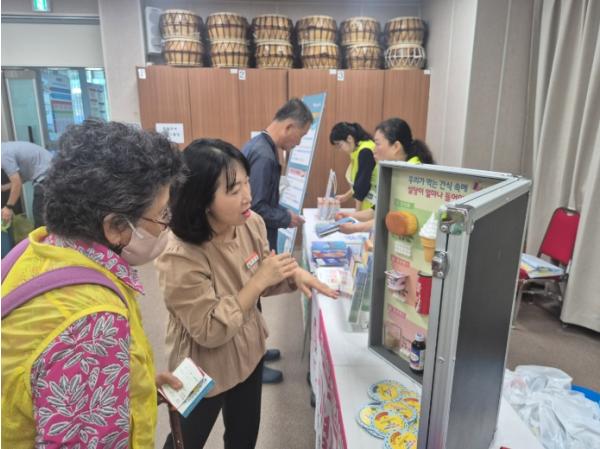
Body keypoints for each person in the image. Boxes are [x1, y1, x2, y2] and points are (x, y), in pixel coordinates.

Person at [1, 120, 185, 449]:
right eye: (161, 216)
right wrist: (101, 370)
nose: (166, 227)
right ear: (115, 226)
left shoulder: (37, 249)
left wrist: (135, 387)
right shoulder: (92, 326)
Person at [155, 138, 337, 449]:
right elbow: (209, 330)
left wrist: (292, 274)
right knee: (186, 441)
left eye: (247, 183)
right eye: (233, 189)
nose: (248, 196)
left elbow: (263, 274)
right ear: (202, 199)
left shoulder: (251, 223)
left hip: (248, 348)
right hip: (201, 364)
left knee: (243, 435)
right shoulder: (179, 254)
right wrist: (258, 281)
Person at [241, 98, 313, 384]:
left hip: (251, 237)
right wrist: (286, 217)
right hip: (252, 239)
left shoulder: (259, 146)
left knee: (254, 298)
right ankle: (254, 365)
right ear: (289, 126)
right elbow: (256, 207)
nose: (299, 142)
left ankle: (258, 351)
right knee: (251, 298)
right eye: (301, 135)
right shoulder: (265, 156)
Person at [337, 118, 435, 234]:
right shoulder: (396, 171)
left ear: (396, 147)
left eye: (377, 144)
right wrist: (350, 216)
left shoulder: (413, 174)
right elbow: (378, 210)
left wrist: (356, 228)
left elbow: (396, 219)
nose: (373, 149)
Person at [1, 141, 53, 228]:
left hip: (47, 177)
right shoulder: (5, 148)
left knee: (40, 217)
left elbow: (17, 183)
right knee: (50, 215)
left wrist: (8, 207)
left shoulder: (3, 156)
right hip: (52, 174)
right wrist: (3, 188)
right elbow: (20, 179)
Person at [329, 122, 378, 210]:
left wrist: (357, 213)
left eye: (339, 145)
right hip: (367, 206)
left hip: (371, 207)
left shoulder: (365, 151)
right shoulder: (358, 150)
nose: (340, 149)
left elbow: (362, 186)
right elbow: (358, 182)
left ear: (349, 138)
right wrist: (345, 196)